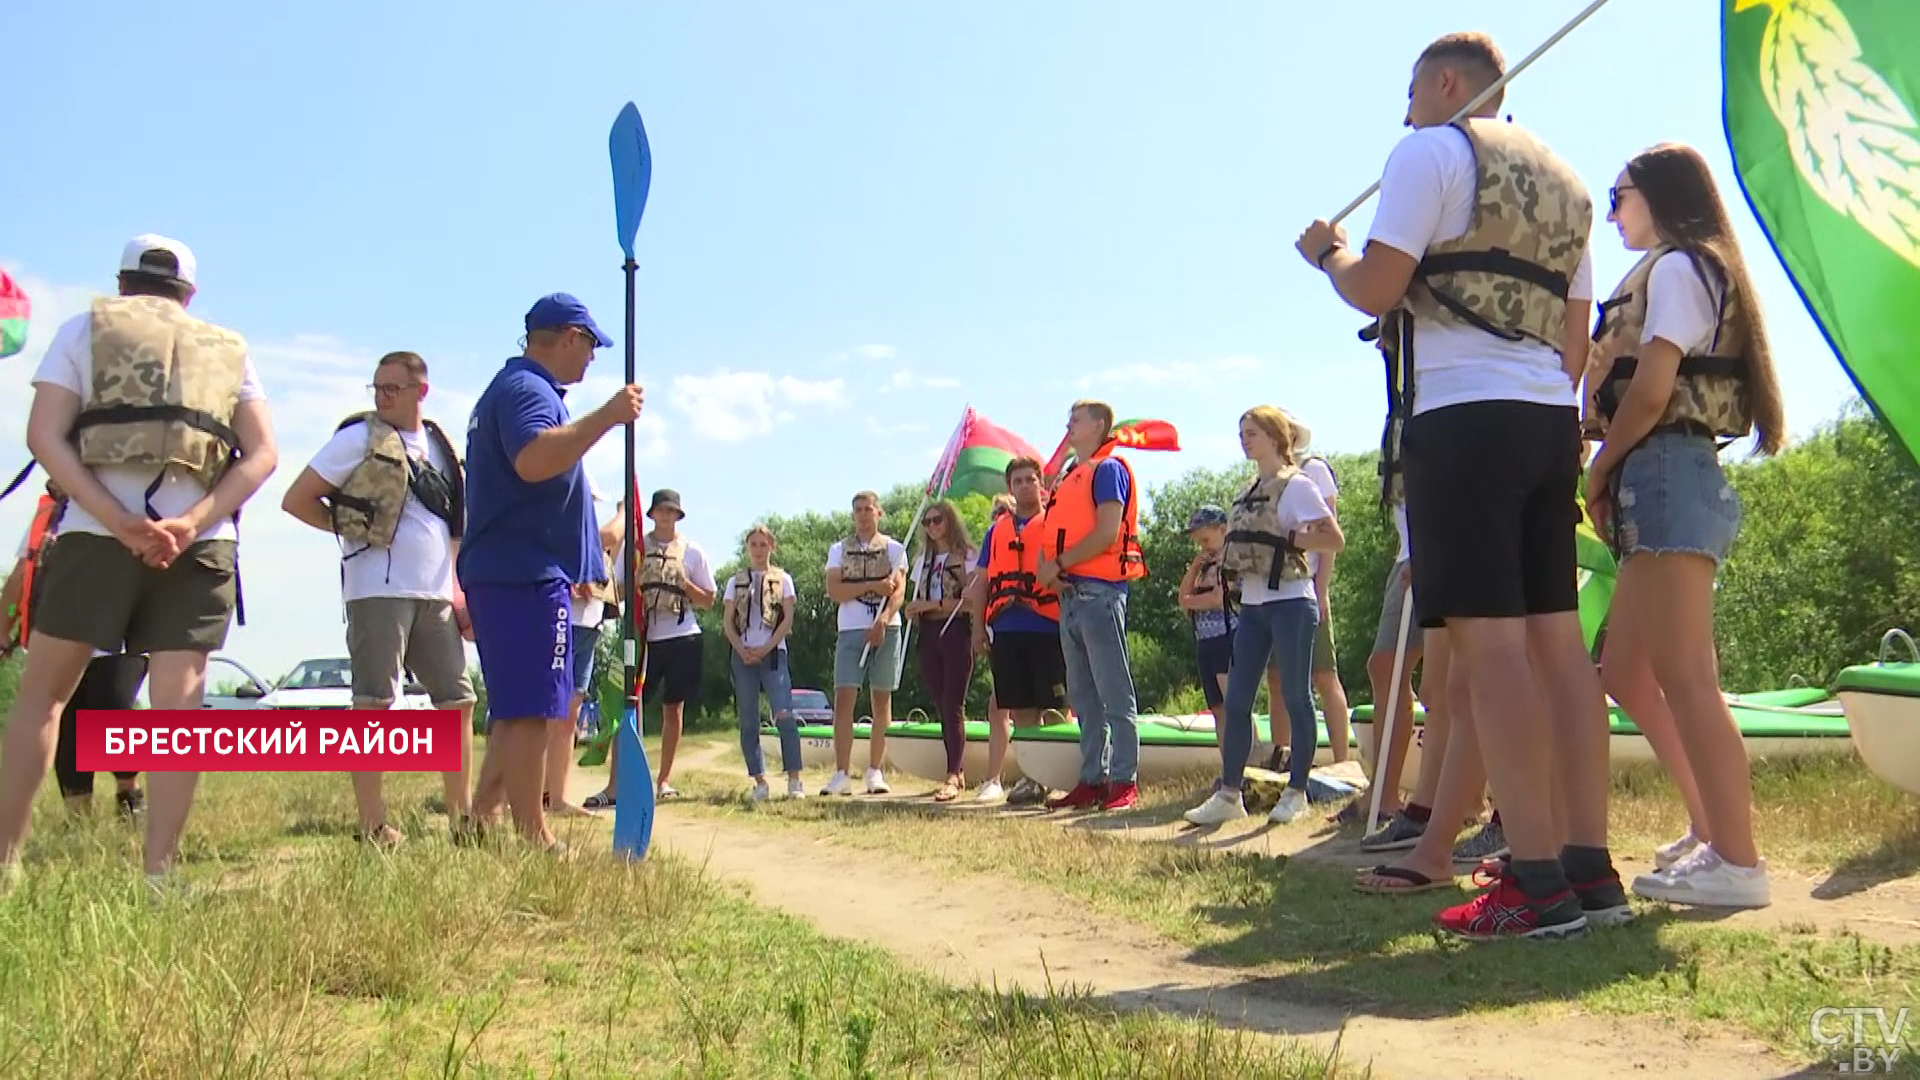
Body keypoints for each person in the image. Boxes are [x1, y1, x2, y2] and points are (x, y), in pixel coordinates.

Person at [1294, 32, 1620, 940]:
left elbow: (1379, 288)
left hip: (1463, 420)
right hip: (1545, 420)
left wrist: (1329, 254)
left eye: (1410, 92)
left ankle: (1537, 880)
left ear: (1445, 84)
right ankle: (1591, 872)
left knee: (1488, 650)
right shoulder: (1572, 185)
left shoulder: (1428, 152)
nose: (1403, 112)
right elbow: (1576, 335)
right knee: (1559, 645)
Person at [0, 235, 278, 894]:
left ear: (123, 285)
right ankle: (159, 876)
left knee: (43, 699)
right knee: (177, 716)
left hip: (97, 534)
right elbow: (262, 454)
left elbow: (43, 435)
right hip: (198, 544)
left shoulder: (84, 328)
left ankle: (4, 866)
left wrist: (116, 516)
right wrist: (192, 520)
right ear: (190, 294)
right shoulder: (228, 346)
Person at [1583, 142, 1785, 909]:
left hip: (1667, 468)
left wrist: (1601, 467)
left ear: (1658, 195)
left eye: (1619, 194)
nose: (1611, 212)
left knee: (1688, 678)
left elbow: (1654, 386)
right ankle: (1712, 832)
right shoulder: (1683, 268)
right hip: (1660, 472)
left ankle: (1739, 861)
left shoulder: (1677, 268)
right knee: (1627, 672)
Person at [459, 293, 640, 851]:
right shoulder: (526, 391)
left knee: (517, 709)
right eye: (589, 345)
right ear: (567, 337)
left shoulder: (521, 389)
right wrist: (609, 416)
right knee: (536, 707)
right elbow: (534, 459)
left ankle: (480, 819)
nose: (591, 359)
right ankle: (533, 834)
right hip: (523, 572)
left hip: (516, 570)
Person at [280, 349, 477, 845]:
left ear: (421, 391)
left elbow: (453, 526)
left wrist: (458, 591)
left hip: (435, 592)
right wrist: (348, 528)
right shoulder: (357, 439)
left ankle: (463, 820)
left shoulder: (439, 446)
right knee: (373, 705)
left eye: (393, 388)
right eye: (378, 388)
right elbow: (297, 498)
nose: (383, 396)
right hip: (375, 590)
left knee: (457, 702)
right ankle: (372, 824)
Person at [1183, 407, 1344, 826]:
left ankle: (1296, 791)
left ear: (1275, 437)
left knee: (1295, 694)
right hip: (1253, 607)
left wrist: (1291, 536)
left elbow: (1334, 538)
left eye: (1251, 432)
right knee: (1236, 700)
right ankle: (1229, 793)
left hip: (1292, 601)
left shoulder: (1298, 486)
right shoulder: (1249, 489)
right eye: (1240, 433)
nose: (1243, 439)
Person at [2, 485, 147, 818]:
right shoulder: (49, 517)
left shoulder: (134, 500)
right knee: (68, 724)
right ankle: (77, 818)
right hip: (61, 634)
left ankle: (130, 794)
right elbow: (20, 578)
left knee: (112, 709)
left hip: (122, 635)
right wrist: (1, 631)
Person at [1038, 400, 1147, 812]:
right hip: (1068, 596)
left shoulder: (1108, 470)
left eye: (1077, 419)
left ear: (1099, 425)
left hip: (1100, 593)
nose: (1068, 424)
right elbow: (1050, 535)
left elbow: (1106, 532)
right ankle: (1092, 779)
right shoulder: (1069, 478)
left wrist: (1059, 565)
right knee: (1083, 697)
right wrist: (1048, 571)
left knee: (1114, 691)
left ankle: (1124, 779)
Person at [968, 461, 1064, 805]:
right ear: (1010, 487)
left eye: (1030, 480)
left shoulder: (1056, 521)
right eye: (1018, 481)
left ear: (1041, 484)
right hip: (1007, 627)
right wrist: (979, 627)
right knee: (1021, 708)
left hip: (1048, 625)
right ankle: (1032, 777)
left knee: (1055, 707)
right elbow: (981, 583)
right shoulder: (996, 532)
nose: (1025, 486)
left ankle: (1059, 776)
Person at [621, 488, 716, 801]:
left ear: (678, 515)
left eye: (671, 511)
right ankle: (623, 778)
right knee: (628, 705)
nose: (665, 516)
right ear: (652, 514)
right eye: (661, 510)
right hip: (645, 636)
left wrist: (681, 582)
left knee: (673, 708)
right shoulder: (635, 547)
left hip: (682, 634)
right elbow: (619, 590)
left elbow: (708, 600)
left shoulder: (692, 552)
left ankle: (664, 779)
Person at [822, 490, 907, 796]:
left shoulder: (896, 549)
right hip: (850, 629)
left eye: (868, 509)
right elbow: (835, 591)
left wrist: (884, 620)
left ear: (878, 513)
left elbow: (898, 592)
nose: (862, 514)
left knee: (881, 699)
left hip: (887, 628)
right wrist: (871, 585)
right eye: (857, 509)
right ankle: (841, 773)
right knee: (844, 697)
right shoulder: (838, 550)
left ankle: (875, 771)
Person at [550, 483, 620, 817]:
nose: (588, 507)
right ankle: (538, 792)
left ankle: (556, 795)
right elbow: (610, 536)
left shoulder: (583, 531)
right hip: (564, 623)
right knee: (551, 713)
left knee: (570, 715)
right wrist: (624, 513)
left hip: (589, 627)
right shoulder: (567, 526)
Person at [723, 524, 803, 800]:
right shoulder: (736, 581)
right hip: (742, 654)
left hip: (773, 653)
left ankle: (794, 779)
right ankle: (759, 781)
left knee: (784, 715)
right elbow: (727, 622)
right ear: (747, 547)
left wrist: (766, 647)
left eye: (763, 544)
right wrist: (742, 649)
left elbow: (788, 619)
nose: (758, 550)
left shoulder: (783, 579)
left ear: (772, 547)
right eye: (754, 544)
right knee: (748, 720)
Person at [907, 499, 976, 802]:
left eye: (938, 520)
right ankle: (956, 769)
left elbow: (970, 602)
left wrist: (931, 604)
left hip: (955, 630)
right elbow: (916, 595)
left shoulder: (967, 557)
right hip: (928, 632)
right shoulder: (922, 560)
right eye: (927, 522)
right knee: (940, 703)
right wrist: (914, 609)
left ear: (950, 521)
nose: (932, 526)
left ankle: (953, 773)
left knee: (952, 704)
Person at [1177, 505, 1235, 730]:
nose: (1204, 547)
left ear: (1223, 530)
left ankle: (1251, 757)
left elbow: (1219, 599)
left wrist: (1193, 602)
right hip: (1205, 641)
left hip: (1226, 637)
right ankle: (1228, 762)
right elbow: (1183, 599)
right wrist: (1194, 568)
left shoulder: (1231, 559)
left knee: (1234, 706)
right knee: (1218, 710)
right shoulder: (1204, 565)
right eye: (1199, 543)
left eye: (1206, 540)